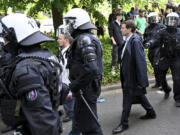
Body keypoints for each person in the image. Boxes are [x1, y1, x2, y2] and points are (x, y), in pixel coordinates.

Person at [0, 13, 63, 135]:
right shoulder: (44, 55)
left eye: (6, 39)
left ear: (16, 36)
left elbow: (42, 122)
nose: (4, 43)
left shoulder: (27, 70)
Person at [64, 8, 103, 135]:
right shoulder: (84, 38)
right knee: (83, 123)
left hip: (85, 90)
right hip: (84, 89)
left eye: (68, 22)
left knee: (91, 128)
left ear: (76, 23)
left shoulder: (84, 39)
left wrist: (76, 85)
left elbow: (92, 68)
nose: (67, 26)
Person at [112, 20, 156, 134]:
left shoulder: (135, 41)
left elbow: (140, 62)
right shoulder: (129, 39)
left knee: (127, 99)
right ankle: (151, 112)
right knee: (140, 95)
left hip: (132, 77)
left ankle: (124, 123)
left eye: (123, 28)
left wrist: (142, 81)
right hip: (128, 75)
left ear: (129, 29)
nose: (121, 30)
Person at [145, 12, 180, 107]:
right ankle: (166, 89)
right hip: (164, 57)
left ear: (177, 21)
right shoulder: (162, 31)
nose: (172, 22)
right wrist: (149, 43)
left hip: (176, 58)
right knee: (161, 76)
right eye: (170, 20)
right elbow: (155, 39)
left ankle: (178, 98)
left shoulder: (179, 32)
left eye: (174, 20)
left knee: (177, 79)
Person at [144, 12, 171, 93]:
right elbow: (145, 38)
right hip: (151, 49)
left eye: (154, 18)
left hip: (159, 49)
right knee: (154, 66)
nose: (153, 20)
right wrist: (145, 43)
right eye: (151, 18)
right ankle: (158, 82)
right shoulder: (147, 28)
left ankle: (163, 84)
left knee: (159, 67)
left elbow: (166, 36)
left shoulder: (161, 26)